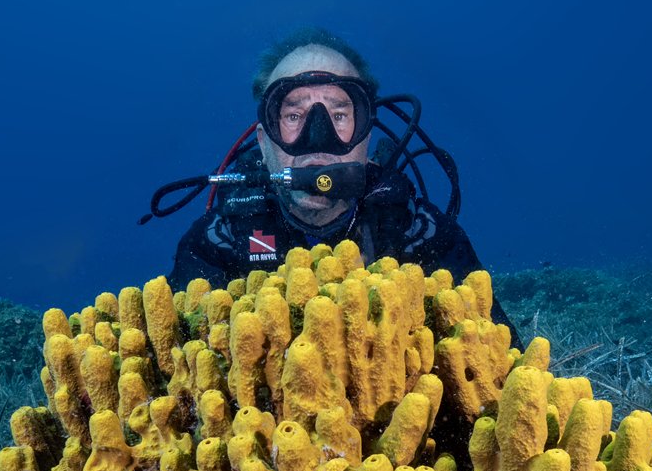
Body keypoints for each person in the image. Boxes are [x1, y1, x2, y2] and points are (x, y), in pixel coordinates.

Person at [164, 28, 501, 302]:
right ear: (265, 145)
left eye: (339, 114)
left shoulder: (418, 231)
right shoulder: (217, 241)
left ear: (366, 138)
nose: (318, 137)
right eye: (294, 115)